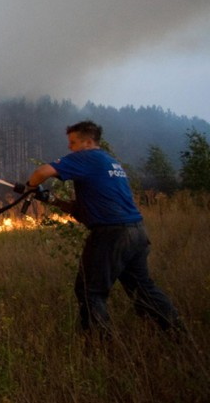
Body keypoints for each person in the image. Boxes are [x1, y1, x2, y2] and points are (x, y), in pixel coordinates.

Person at [24, 120, 183, 337]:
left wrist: (30, 186)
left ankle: (100, 344)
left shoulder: (87, 157)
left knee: (90, 291)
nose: (70, 148)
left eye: (73, 142)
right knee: (143, 289)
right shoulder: (110, 162)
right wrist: (50, 198)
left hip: (111, 234)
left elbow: (42, 171)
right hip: (136, 232)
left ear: (88, 142)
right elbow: (86, 209)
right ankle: (178, 334)